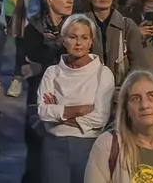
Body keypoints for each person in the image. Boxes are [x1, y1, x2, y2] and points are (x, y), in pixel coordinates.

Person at [37, 13, 115, 183]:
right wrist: (81, 109)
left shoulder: (103, 73)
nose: (78, 43)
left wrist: (58, 114)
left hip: (89, 146)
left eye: (84, 37)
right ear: (64, 40)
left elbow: (99, 119)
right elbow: (43, 112)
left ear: (91, 41)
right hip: (54, 147)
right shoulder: (52, 73)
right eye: (72, 37)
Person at [80, 0, 145, 87]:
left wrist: (123, 90)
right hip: (87, 91)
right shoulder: (79, 25)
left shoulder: (128, 26)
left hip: (121, 91)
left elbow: (138, 65)